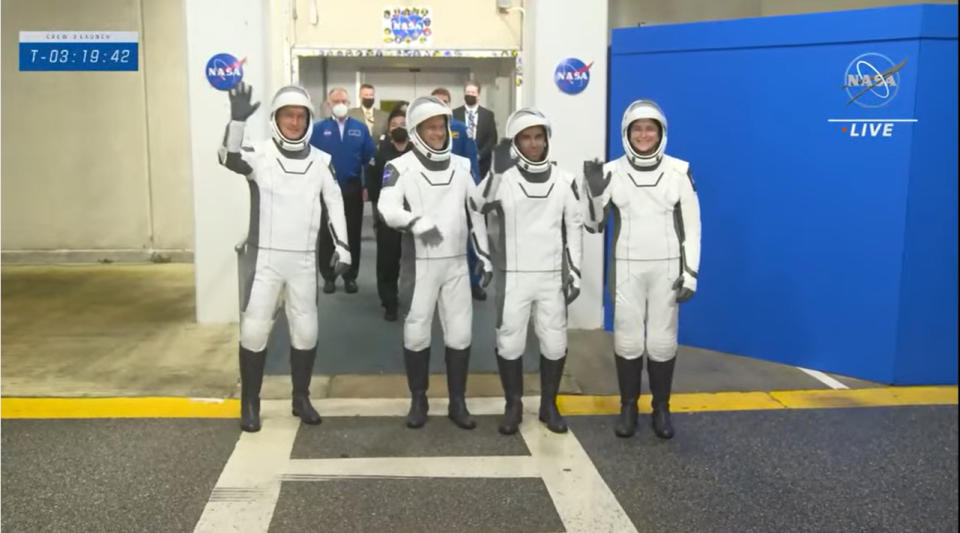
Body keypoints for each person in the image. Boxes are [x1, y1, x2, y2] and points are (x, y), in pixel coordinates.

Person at [218, 83, 351, 432]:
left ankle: (301, 397)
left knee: (306, 331)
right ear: (276, 118)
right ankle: (250, 403)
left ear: (308, 119)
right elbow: (227, 158)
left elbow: (334, 203)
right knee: (254, 330)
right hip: (265, 260)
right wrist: (236, 122)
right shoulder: (259, 154)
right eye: (287, 115)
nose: (294, 122)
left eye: (300, 116)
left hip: (304, 261)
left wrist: (344, 248)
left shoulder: (322, 161)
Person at [583, 99, 701, 440]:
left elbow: (692, 228)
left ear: (661, 132)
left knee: (663, 343)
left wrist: (690, 272)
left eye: (650, 128)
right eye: (638, 129)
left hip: (667, 270)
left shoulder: (679, 171)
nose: (644, 135)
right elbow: (593, 225)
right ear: (627, 133)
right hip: (627, 269)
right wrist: (592, 194)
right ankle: (628, 407)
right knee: (628, 340)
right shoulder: (610, 171)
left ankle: (661, 408)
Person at [377, 96, 494, 430]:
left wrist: (483, 256)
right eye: (430, 127)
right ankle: (419, 399)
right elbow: (387, 208)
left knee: (460, 334)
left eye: (441, 126)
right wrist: (415, 222)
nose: (438, 132)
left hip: (457, 263)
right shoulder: (398, 167)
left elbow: (475, 211)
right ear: (416, 131)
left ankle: (458, 401)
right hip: (421, 264)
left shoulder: (460, 165)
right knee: (416, 332)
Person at [474, 108, 583, 435]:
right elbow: (476, 207)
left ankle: (549, 404)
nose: (534, 144)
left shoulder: (565, 181)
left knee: (554, 343)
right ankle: (513, 404)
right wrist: (484, 256)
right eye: (526, 137)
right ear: (515, 142)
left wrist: (574, 271)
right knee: (510, 342)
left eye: (538, 137)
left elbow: (574, 227)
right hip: (514, 277)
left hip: (551, 276)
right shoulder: (503, 179)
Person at [310, 87, 376, 294]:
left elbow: (369, 159)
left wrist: (365, 185)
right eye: (335, 101)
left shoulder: (360, 128)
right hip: (326, 189)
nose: (340, 104)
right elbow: (310, 159)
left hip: (352, 188)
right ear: (328, 104)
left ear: (349, 103)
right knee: (329, 234)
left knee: (352, 233)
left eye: (343, 101)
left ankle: (350, 276)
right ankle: (329, 276)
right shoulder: (318, 129)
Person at [431, 87, 487, 301]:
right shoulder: (422, 129)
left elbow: (472, 161)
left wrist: (474, 192)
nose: (441, 104)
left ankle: (474, 283)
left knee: (469, 240)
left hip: (460, 194)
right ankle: (437, 284)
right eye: (436, 101)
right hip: (434, 196)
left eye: (445, 101)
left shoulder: (460, 129)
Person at [367, 105, 412, 321]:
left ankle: (413, 300)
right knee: (388, 260)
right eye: (394, 124)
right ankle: (390, 302)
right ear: (388, 128)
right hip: (388, 216)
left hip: (414, 216)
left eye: (403, 124)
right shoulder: (381, 152)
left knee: (413, 260)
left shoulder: (417, 152)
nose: (399, 128)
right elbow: (373, 182)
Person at [452, 81, 497, 182]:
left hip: (482, 164)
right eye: (468, 92)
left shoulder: (488, 115)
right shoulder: (455, 113)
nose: (470, 95)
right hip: (460, 164)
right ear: (464, 94)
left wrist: (479, 155)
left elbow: (492, 140)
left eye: (473, 93)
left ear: (478, 95)